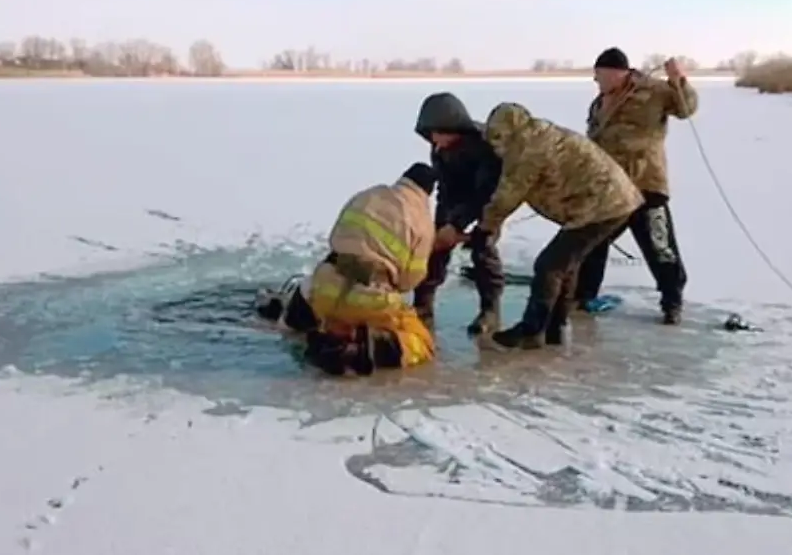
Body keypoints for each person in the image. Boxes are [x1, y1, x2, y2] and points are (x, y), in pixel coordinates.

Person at [468, 102, 644, 349]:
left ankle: (532, 330)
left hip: (602, 205)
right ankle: (555, 328)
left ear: (508, 133)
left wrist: (485, 228)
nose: (496, 147)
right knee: (565, 266)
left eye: (498, 139)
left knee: (549, 266)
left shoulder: (526, 149)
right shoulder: (536, 134)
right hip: (610, 201)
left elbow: (508, 195)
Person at [255, 163, 438, 375]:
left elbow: (336, 237)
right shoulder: (422, 221)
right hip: (369, 303)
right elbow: (410, 280)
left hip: (324, 290)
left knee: (310, 287)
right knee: (422, 344)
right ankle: (357, 350)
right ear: (428, 192)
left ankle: (298, 321)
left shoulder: (367, 196)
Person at [577, 47, 698, 325]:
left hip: (646, 185)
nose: (597, 82)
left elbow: (685, 108)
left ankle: (672, 302)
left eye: (599, 76)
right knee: (591, 241)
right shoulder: (599, 104)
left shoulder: (653, 91)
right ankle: (583, 296)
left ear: (617, 72)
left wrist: (679, 81)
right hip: (610, 189)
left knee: (660, 246)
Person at [412, 92, 506, 336]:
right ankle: (422, 304)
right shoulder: (439, 149)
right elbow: (445, 187)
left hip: (491, 199)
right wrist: (444, 224)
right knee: (435, 249)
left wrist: (459, 224)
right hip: (456, 200)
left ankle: (490, 310)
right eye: (430, 135)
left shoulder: (486, 146)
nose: (433, 140)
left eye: (437, 133)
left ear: (453, 127)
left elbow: (486, 193)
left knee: (483, 248)